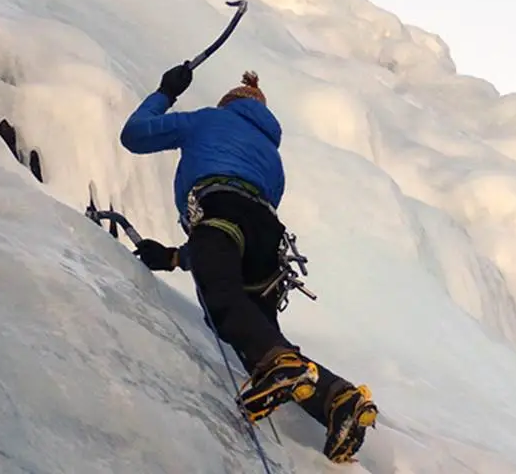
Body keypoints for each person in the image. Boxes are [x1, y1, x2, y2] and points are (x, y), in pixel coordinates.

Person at [119, 62, 378, 464]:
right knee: (255, 332)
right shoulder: (272, 159)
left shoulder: (209, 120)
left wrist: (165, 91)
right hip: (268, 240)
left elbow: (134, 136)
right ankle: (338, 399)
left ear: (228, 105)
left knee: (228, 308)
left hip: (218, 208)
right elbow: (230, 247)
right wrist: (173, 257)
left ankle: (282, 365)